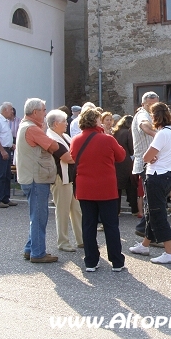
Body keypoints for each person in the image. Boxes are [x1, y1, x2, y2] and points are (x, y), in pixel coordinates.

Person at [70, 107, 126, 272]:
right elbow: (121, 156)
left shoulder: (76, 140)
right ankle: (116, 261)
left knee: (88, 225)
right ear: (96, 121)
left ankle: (91, 261)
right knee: (111, 225)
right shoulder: (107, 139)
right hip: (106, 188)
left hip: (85, 188)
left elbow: (73, 158)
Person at [129, 102, 171, 264]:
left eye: (152, 116)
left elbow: (146, 157)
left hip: (156, 176)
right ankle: (145, 245)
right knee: (152, 212)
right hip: (168, 175)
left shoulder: (162, 134)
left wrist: (150, 156)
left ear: (155, 117)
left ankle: (169, 252)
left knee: (158, 214)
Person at [17, 98, 60, 263]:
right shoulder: (32, 129)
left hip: (30, 177)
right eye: (43, 110)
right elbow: (53, 147)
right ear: (35, 112)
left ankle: (31, 248)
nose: (45, 113)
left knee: (36, 214)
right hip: (36, 178)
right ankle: (38, 252)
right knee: (39, 216)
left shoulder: (25, 126)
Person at [46, 109, 83, 253]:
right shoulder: (52, 138)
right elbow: (67, 157)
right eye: (63, 121)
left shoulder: (65, 136)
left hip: (71, 177)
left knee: (76, 209)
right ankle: (63, 241)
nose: (66, 124)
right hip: (61, 178)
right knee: (62, 211)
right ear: (55, 124)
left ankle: (81, 239)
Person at [131, 92, 159, 238]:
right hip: (145, 162)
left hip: (150, 161)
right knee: (151, 198)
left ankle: (146, 229)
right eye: (150, 104)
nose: (153, 107)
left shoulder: (151, 115)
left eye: (155, 104)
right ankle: (146, 229)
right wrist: (157, 134)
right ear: (143, 104)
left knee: (152, 197)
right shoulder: (142, 115)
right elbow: (145, 126)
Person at [0, 102, 15, 207]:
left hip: (6, 149)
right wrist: (2, 150)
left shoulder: (5, 122)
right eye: (10, 110)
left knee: (6, 175)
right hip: (1, 150)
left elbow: (4, 137)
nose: (12, 112)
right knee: (0, 175)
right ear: (5, 110)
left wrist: (11, 145)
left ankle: (5, 198)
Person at [113, 115, 138, 215]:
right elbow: (132, 149)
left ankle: (116, 210)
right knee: (131, 186)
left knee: (117, 188)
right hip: (126, 162)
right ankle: (134, 209)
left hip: (116, 162)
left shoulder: (115, 132)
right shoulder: (128, 133)